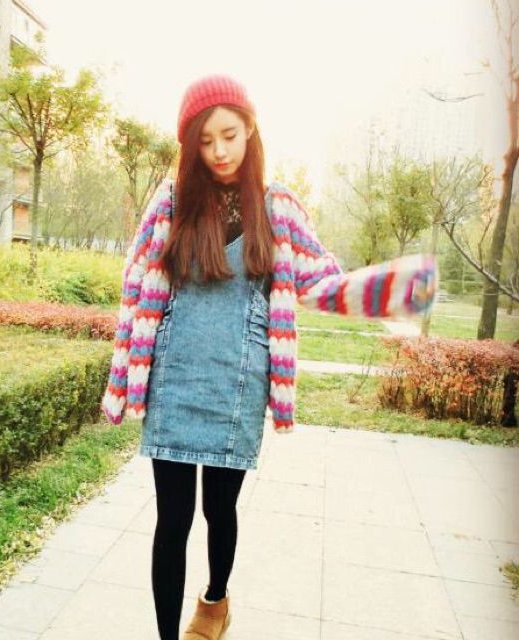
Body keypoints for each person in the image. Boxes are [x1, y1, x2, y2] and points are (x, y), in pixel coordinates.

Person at [101, 74, 437, 640]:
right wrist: (123, 381)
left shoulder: (276, 206)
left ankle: (215, 601)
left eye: (229, 135)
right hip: (174, 378)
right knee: (171, 519)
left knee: (219, 510)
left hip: (238, 382)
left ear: (251, 129)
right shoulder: (172, 202)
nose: (219, 151)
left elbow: (321, 281)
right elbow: (136, 285)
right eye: (205, 141)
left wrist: (395, 287)